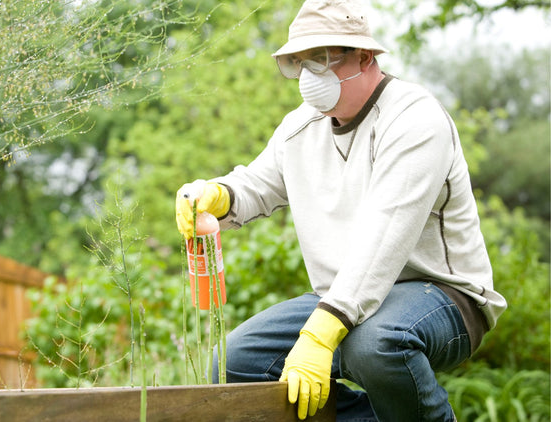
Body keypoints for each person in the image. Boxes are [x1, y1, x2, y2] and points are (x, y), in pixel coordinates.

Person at [173, 0, 507, 420]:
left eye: (322, 59)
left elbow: (384, 239)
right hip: (342, 299)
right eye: (301, 62)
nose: (310, 75)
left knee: (374, 344)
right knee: (234, 365)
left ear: (364, 56)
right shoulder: (300, 127)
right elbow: (257, 184)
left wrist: (320, 334)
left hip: (443, 295)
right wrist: (216, 195)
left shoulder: (415, 120)